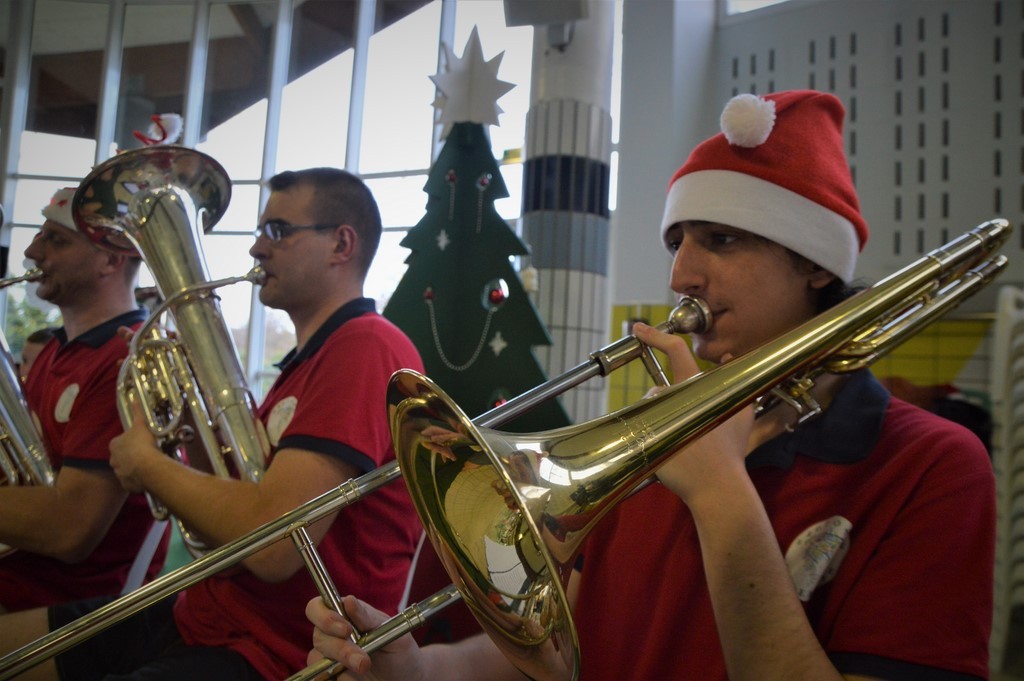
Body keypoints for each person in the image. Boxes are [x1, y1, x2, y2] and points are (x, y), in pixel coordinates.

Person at [305, 91, 996, 680]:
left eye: (721, 240)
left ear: (816, 264)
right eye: (678, 242)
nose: (681, 276)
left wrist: (721, 488)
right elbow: (565, 645)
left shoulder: (933, 465)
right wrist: (423, 668)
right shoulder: (647, 444)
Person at [0, 168, 425, 681]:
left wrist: (148, 466)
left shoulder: (366, 347)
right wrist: (193, 434)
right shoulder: (310, 361)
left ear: (341, 243)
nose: (255, 250)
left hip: (278, 651)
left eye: (278, 231)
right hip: (208, 614)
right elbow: (234, 513)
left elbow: (273, 547)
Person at [0, 188, 169, 612]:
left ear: (112, 260)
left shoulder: (123, 360)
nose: (33, 251)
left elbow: (68, 530)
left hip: (70, 608)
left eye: (56, 240)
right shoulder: (57, 351)